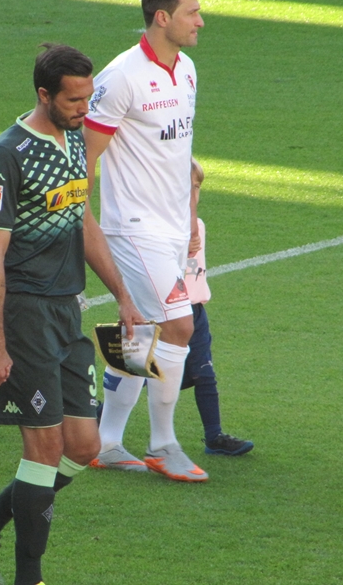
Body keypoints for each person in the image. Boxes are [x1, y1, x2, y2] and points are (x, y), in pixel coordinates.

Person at [0, 44, 142, 585]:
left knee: (85, 445)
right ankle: (27, 577)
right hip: (24, 313)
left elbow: (82, 222)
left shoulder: (77, 140)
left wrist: (123, 295)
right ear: (44, 95)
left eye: (87, 98)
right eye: (74, 100)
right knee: (46, 446)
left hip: (67, 311)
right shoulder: (6, 155)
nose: (85, 109)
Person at [84, 0, 208, 482]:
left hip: (173, 224)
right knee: (180, 327)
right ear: (162, 17)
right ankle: (163, 443)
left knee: (141, 328)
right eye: (192, 12)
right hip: (132, 228)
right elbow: (87, 158)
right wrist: (83, 222)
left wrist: (191, 178)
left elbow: (172, 141)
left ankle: (107, 440)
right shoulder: (121, 78)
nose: (200, 21)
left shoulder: (188, 70)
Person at [91, 159, 254, 463]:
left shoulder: (197, 227)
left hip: (193, 313)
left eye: (196, 187)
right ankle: (103, 424)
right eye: (185, 187)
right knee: (136, 371)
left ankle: (214, 435)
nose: (192, 194)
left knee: (205, 373)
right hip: (152, 310)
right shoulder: (150, 229)